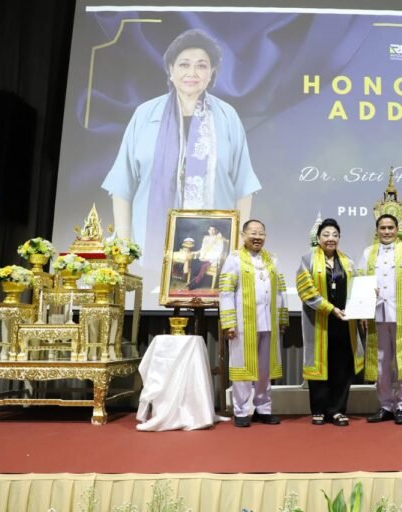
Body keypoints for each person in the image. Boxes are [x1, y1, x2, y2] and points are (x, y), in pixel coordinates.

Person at [102, 28, 261, 266]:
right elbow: (122, 185)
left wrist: (239, 250)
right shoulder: (145, 114)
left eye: (202, 65)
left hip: (216, 252)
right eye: (184, 64)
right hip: (147, 251)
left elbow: (244, 187)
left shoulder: (227, 116)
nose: (192, 72)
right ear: (170, 69)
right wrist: (125, 250)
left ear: (212, 72)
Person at [358, 214, 402, 425]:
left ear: (397, 230)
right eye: (382, 228)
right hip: (377, 316)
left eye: (390, 228)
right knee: (381, 363)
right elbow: (359, 281)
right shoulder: (368, 253)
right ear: (376, 230)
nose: (386, 232)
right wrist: (362, 310)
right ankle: (386, 405)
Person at [219, 219, 288, 427]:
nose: (257, 237)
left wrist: (282, 318)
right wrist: (229, 322)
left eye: (261, 233)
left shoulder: (272, 259)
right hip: (242, 324)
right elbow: (225, 291)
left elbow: (280, 291)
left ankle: (263, 408)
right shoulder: (234, 258)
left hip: (269, 323)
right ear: (243, 235)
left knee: (265, 370)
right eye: (253, 233)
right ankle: (241, 410)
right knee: (242, 368)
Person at [296, 218, 364, 426]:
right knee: (319, 365)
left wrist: (368, 294)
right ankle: (318, 409)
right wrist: (330, 309)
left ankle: (337, 410)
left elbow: (357, 286)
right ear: (318, 238)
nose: (331, 238)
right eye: (326, 234)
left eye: (335, 234)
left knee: (341, 367)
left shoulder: (348, 261)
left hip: (344, 322)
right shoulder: (307, 260)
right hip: (319, 322)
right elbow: (306, 292)